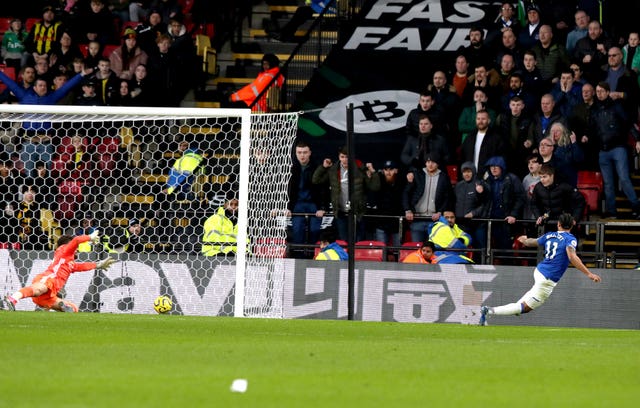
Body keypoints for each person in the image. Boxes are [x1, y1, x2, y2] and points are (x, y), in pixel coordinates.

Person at [479, 213, 601, 326]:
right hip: (547, 279)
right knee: (525, 308)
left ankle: (500, 311)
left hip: (540, 271)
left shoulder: (550, 235)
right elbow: (572, 256)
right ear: (573, 224)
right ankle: (489, 310)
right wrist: (589, 274)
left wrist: (524, 240)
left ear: (558, 224)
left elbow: (532, 242)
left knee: (521, 307)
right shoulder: (570, 239)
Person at [3, 232, 114, 312]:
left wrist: (98, 265)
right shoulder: (64, 250)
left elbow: (82, 266)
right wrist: (89, 237)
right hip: (49, 279)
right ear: (67, 245)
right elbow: (76, 241)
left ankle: (61, 305)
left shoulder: (69, 262)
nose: (78, 249)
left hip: (50, 294)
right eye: (76, 248)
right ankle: (12, 299)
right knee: (38, 290)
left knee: (73, 308)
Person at [589, 82, 640, 219]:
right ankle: (612, 211)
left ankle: (636, 206)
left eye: (601, 91)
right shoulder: (594, 109)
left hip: (618, 147)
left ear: (607, 92)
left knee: (623, 178)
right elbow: (593, 130)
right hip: (603, 149)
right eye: (597, 91)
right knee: (608, 183)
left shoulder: (617, 106)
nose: (599, 94)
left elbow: (628, 123)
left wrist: (637, 139)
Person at [312, 145, 380, 242]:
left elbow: (375, 187)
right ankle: (345, 257)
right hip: (341, 212)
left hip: (357, 212)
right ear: (339, 157)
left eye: (347, 157)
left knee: (358, 241)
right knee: (344, 241)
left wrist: (373, 172)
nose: (345, 160)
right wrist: (323, 167)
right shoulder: (334, 170)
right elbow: (316, 180)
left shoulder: (361, 169)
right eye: (342, 157)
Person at [287, 141, 328, 257]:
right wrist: (287, 207)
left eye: (305, 152)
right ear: (295, 153)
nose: (302, 155)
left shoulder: (317, 167)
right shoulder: (291, 168)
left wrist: (322, 208)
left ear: (310, 153)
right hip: (297, 204)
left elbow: (323, 189)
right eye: (299, 152)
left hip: (313, 204)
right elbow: (287, 189)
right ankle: (299, 258)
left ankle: (313, 255)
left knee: (315, 230)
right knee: (297, 230)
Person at [402, 154, 453, 243]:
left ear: (437, 164)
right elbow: (406, 193)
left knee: (433, 250)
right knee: (417, 249)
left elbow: (447, 197)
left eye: (433, 162)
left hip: (435, 221)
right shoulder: (417, 174)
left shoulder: (444, 177)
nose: (430, 164)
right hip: (417, 219)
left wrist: (440, 212)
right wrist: (407, 210)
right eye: (428, 162)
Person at [484, 156, 525, 253]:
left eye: (496, 166)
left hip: (507, 221)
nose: (493, 168)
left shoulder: (512, 179)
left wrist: (513, 214)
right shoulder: (487, 181)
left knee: (506, 249)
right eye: (491, 166)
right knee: (492, 249)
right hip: (491, 220)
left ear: (502, 167)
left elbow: (520, 198)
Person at [454, 161, 490, 251]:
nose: (467, 174)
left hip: (477, 224)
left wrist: (473, 213)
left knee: (479, 249)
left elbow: (486, 204)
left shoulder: (480, 184)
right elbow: (454, 202)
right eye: (464, 172)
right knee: (462, 249)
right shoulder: (458, 186)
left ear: (473, 172)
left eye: (469, 171)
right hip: (461, 225)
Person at [370, 159, 405, 248]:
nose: (388, 172)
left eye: (391, 169)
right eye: (386, 170)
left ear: (396, 170)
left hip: (396, 223)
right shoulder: (378, 181)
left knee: (398, 251)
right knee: (381, 251)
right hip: (381, 222)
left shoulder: (402, 182)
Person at [460, 110, 505, 176]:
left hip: (488, 177)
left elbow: (501, 158)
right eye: (478, 119)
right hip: (471, 176)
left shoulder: (496, 138)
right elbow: (463, 156)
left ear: (489, 121)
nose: (480, 121)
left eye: (483, 119)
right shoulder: (469, 137)